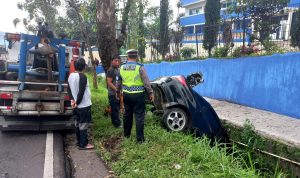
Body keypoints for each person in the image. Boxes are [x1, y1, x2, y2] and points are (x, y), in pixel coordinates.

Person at [119, 49, 154, 143]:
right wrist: (150, 92)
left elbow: (119, 81)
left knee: (127, 115)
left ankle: (126, 135)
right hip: (138, 95)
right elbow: (146, 82)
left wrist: (118, 92)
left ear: (127, 56)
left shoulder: (122, 67)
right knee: (139, 117)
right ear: (136, 56)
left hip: (126, 94)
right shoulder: (140, 67)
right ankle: (140, 140)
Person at [68, 58, 94, 150]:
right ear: (83, 67)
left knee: (78, 123)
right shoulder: (82, 76)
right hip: (84, 105)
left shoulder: (71, 75)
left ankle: (79, 142)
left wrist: (73, 101)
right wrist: (77, 102)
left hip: (76, 105)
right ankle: (84, 144)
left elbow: (69, 90)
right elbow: (81, 92)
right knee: (83, 124)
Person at [106, 55, 122, 128]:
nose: (117, 62)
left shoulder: (117, 69)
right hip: (113, 93)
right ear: (112, 61)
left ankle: (116, 122)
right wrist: (117, 90)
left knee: (116, 108)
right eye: (115, 61)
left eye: (118, 61)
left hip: (117, 92)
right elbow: (109, 82)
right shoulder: (111, 70)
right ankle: (117, 124)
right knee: (115, 108)